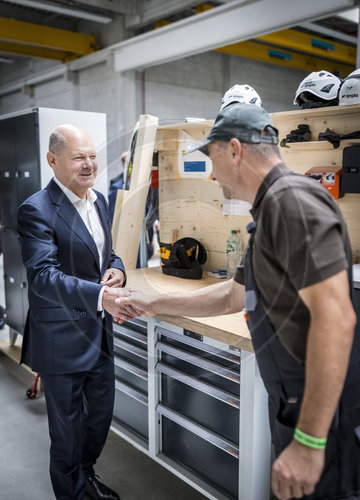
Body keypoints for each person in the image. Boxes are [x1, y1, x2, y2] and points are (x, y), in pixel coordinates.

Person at [114, 104, 360, 500]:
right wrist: (155, 303)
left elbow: (337, 322)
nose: (211, 174)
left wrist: (311, 443)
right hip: (292, 401)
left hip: (320, 415)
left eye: (211, 160)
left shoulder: (293, 205)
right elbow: (234, 292)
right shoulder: (270, 211)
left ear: (234, 150)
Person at [17, 124, 131, 500]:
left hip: (98, 335)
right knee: (66, 436)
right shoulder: (36, 209)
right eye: (78, 157)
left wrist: (117, 268)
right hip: (61, 340)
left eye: (93, 156)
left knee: (97, 420)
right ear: (53, 161)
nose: (89, 165)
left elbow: (104, 253)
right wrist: (102, 297)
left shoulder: (98, 200)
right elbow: (44, 277)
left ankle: (87, 478)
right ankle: (72, 493)